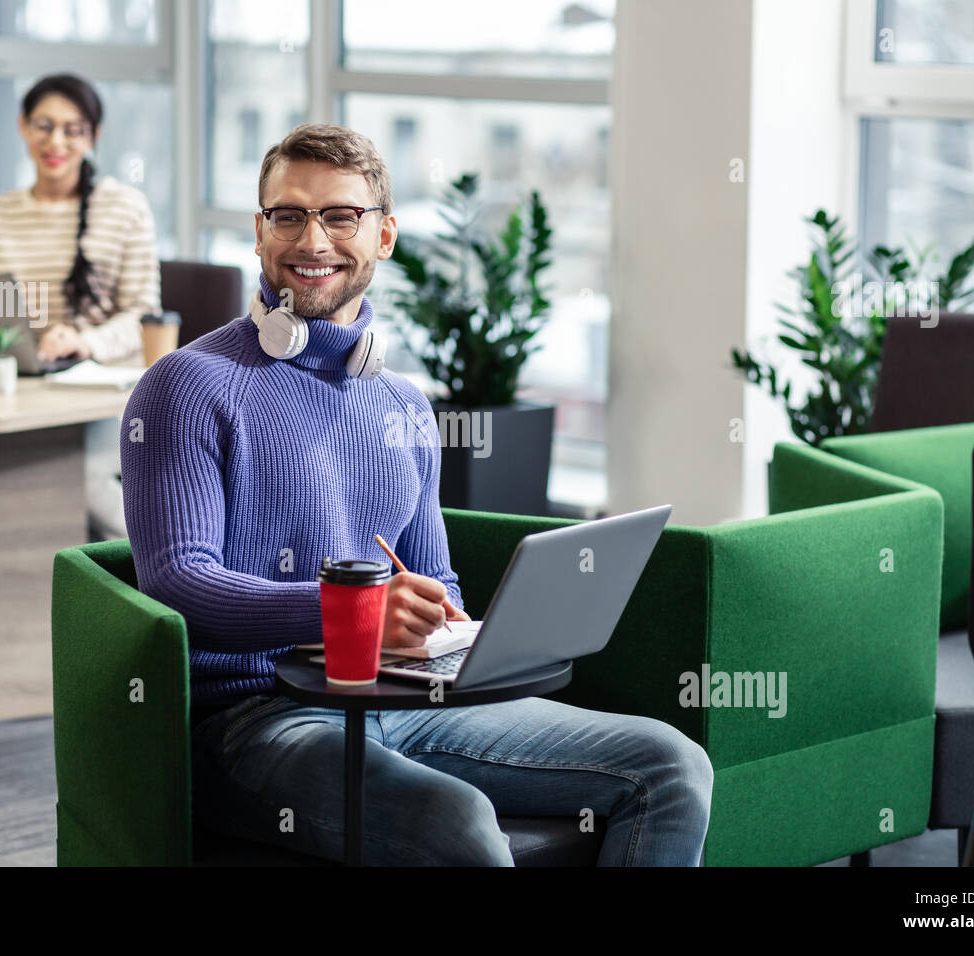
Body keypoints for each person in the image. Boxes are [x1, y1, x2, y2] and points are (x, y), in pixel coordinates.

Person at [120, 124, 713, 866]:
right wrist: (355, 615)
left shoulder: (402, 407)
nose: (313, 239)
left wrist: (457, 630)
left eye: (341, 216)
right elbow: (179, 584)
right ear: (260, 231)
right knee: (454, 820)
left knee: (672, 764)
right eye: (289, 214)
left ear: (385, 235)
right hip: (258, 720)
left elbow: (439, 581)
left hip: (406, 704)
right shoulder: (184, 386)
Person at [0, 73, 160, 539]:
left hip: (104, 393)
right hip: (25, 389)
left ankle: (165, 578)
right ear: (22, 126)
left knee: (83, 483)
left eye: (72, 129)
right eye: (43, 125)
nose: (55, 141)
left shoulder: (125, 206)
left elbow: (145, 315)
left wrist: (84, 340)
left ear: (92, 137)